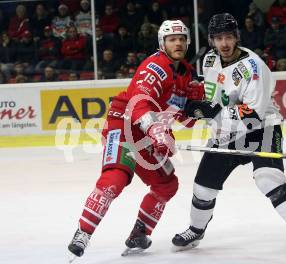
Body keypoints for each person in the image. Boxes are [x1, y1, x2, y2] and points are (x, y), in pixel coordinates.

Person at [171, 13, 286, 262]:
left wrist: (214, 111)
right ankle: (196, 230)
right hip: (226, 132)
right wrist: (199, 103)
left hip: (262, 128)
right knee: (203, 187)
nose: (224, 43)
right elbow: (213, 94)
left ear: (237, 37)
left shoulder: (253, 67)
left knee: (268, 179)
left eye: (229, 37)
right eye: (219, 38)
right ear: (211, 40)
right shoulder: (210, 59)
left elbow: (253, 116)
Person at [67, 20, 203, 261]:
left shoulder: (186, 74)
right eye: (172, 39)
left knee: (166, 184)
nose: (178, 42)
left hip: (148, 131)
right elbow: (138, 102)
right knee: (115, 179)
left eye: (182, 38)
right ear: (163, 43)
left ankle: (140, 233)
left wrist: (197, 110)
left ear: (188, 41)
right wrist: (157, 130)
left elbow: (181, 116)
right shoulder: (156, 66)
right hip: (124, 122)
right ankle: (83, 233)